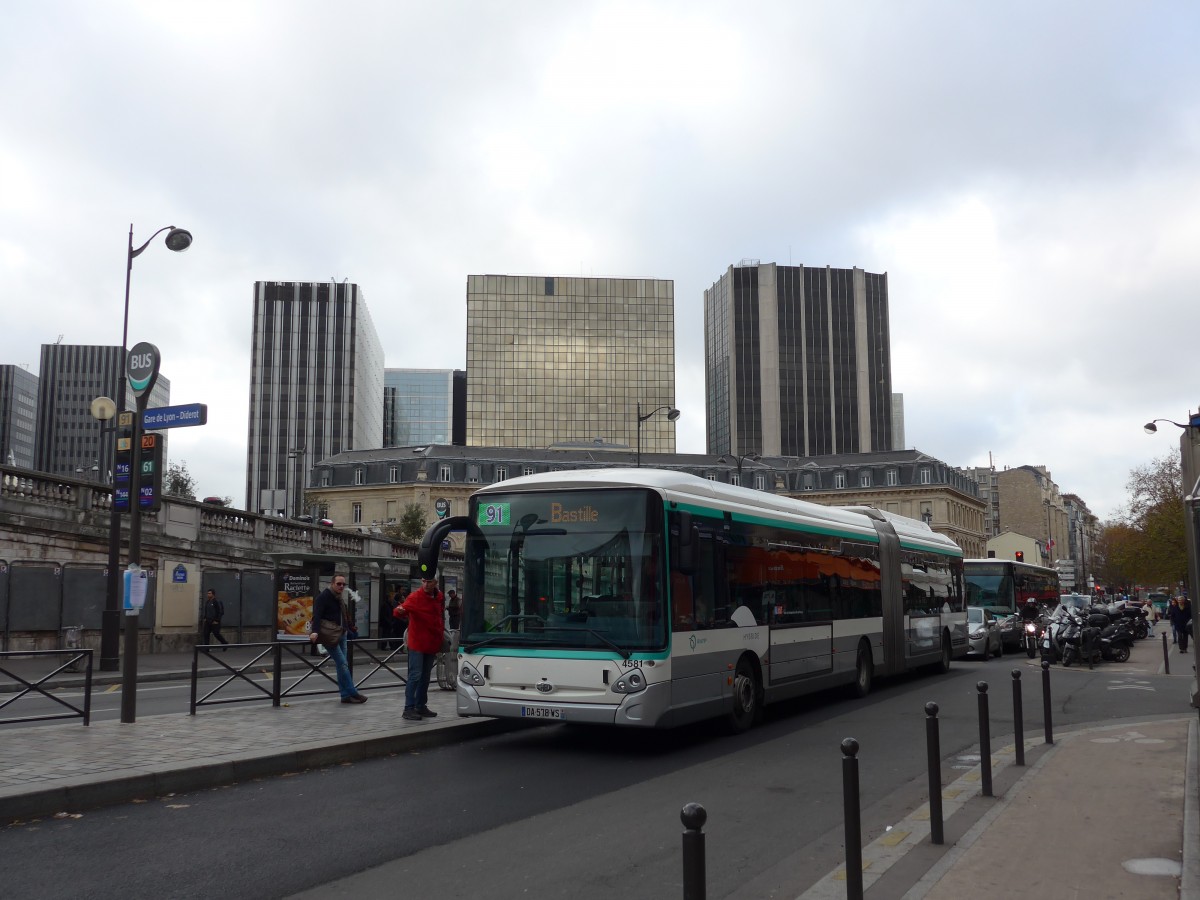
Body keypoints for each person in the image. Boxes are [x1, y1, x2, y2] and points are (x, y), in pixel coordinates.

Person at [394, 575, 445, 721]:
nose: (426, 584)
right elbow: (398, 611)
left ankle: (421, 705)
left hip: (431, 642)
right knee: (415, 675)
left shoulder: (439, 596)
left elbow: (439, 616)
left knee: (425, 676)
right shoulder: (415, 597)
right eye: (424, 581)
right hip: (417, 643)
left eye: (429, 581)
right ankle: (408, 708)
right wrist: (401, 610)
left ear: (435, 583)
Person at [309, 575, 367, 703]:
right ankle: (353, 692)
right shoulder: (323, 597)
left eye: (343, 584)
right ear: (332, 584)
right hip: (330, 636)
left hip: (342, 634)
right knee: (343, 664)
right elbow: (317, 616)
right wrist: (314, 632)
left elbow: (344, 615)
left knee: (341, 666)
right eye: (339, 584)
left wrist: (349, 629)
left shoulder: (339, 598)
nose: (341, 586)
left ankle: (345, 696)